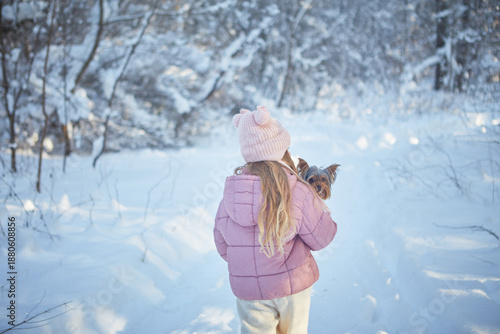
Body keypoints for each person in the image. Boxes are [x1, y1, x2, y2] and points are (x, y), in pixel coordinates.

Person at [213, 106, 337, 334]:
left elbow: (223, 246)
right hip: (292, 286)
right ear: (281, 151)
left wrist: (248, 265)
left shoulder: (230, 194)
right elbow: (321, 238)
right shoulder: (297, 190)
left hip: (248, 289)